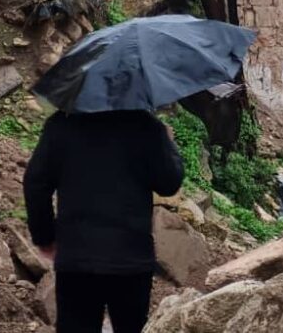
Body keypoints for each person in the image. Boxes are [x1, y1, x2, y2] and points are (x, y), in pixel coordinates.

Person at [23, 110, 184, 333]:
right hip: (131, 259)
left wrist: (44, 237)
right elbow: (169, 182)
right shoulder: (145, 126)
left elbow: (35, 183)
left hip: (76, 258)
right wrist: (165, 142)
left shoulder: (61, 124)